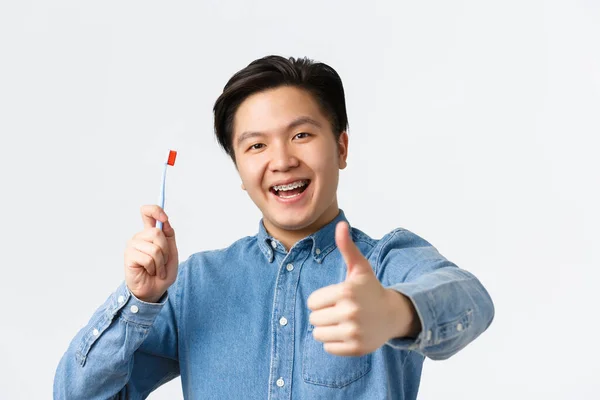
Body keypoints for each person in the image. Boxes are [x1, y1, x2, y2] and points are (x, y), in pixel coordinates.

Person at [54, 55, 495, 399]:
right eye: (257, 145)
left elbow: (471, 300)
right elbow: (78, 395)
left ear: (341, 147)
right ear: (239, 170)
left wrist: (394, 312)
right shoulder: (196, 285)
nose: (282, 160)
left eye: (302, 135)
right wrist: (138, 301)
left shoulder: (384, 262)